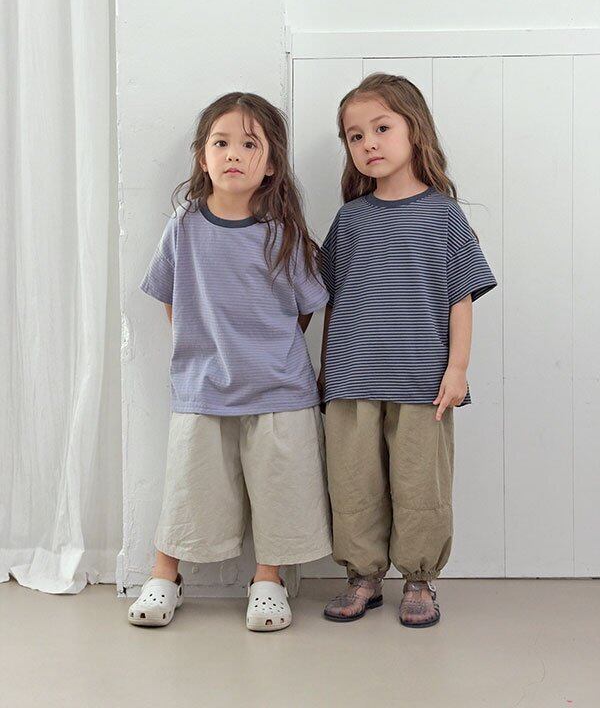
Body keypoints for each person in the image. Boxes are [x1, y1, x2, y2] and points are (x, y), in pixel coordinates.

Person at [128, 91, 332, 631]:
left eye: (249, 144)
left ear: (271, 164)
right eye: (221, 143)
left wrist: (267, 352)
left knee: (281, 488)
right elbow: (171, 298)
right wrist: (201, 349)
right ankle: (165, 574)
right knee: (190, 486)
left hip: (280, 390)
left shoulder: (285, 235)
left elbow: (306, 309)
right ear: (203, 156)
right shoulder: (183, 227)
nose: (233, 154)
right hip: (203, 387)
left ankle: (268, 580)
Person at [318, 73, 497, 628]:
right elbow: (331, 299)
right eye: (355, 136)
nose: (368, 143)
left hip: (423, 384)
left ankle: (419, 578)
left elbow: (460, 297)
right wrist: (325, 371)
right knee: (354, 484)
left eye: (381, 128)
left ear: (414, 130)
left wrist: (458, 368)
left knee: (421, 486)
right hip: (352, 380)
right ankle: (363, 577)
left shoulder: (444, 215)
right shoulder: (350, 219)